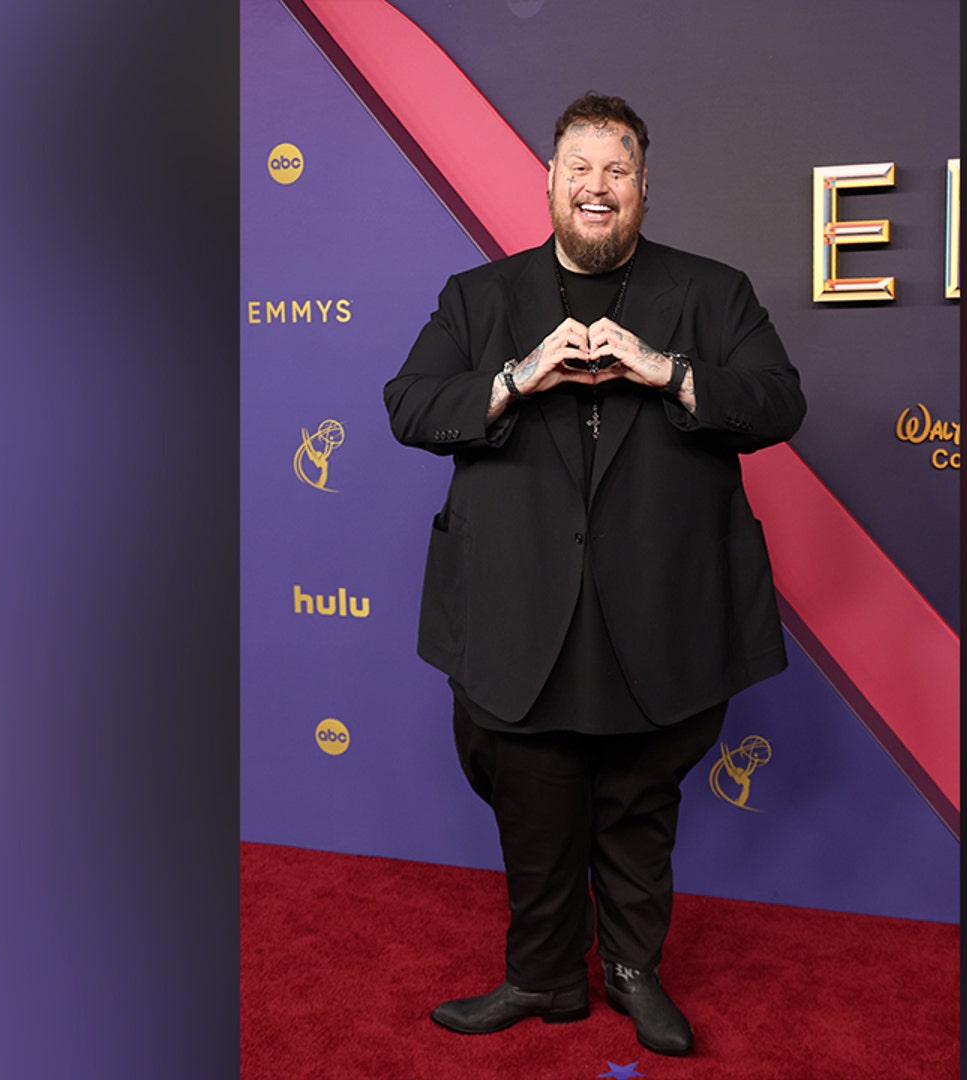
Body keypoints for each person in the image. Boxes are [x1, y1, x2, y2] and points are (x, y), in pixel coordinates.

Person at [383, 92, 805, 1057]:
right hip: (516, 616)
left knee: (639, 812)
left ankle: (629, 971)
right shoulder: (476, 299)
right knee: (534, 813)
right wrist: (515, 377)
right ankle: (541, 979)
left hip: (662, 617)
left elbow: (780, 401)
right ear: (549, 183)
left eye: (617, 169)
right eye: (580, 168)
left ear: (644, 188)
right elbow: (407, 406)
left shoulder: (714, 292)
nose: (597, 186)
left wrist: (669, 370)